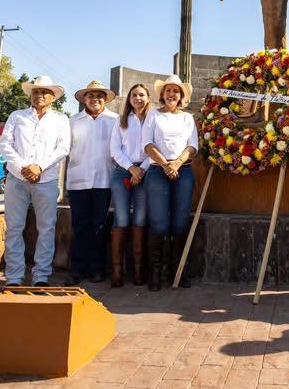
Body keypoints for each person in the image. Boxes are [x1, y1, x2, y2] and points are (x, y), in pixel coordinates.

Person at [0, 75, 70, 288]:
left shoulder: (60, 120)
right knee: (13, 228)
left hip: (46, 179)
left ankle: (41, 276)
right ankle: (14, 277)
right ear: (31, 94)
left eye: (44, 92)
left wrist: (39, 167)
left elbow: (63, 148)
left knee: (46, 228)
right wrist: (23, 167)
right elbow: (5, 145)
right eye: (36, 91)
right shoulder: (17, 116)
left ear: (53, 97)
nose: (39, 95)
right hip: (17, 179)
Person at [142, 75, 198, 291]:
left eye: (176, 91)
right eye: (168, 91)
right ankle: (155, 273)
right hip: (158, 171)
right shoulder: (153, 116)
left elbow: (193, 145)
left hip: (183, 171)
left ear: (181, 96)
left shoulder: (187, 118)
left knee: (180, 223)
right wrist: (166, 164)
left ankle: (178, 271)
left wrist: (177, 163)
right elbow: (147, 144)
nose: (172, 94)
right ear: (162, 95)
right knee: (159, 223)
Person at [65, 80, 117, 285]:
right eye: (91, 96)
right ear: (84, 99)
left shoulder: (115, 120)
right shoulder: (72, 121)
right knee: (80, 225)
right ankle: (77, 268)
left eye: (99, 96)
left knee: (99, 225)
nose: (95, 99)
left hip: (104, 179)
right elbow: (65, 152)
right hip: (78, 180)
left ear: (105, 99)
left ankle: (97, 268)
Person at [109, 83, 153, 287]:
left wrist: (141, 169)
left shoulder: (153, 120)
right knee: (122, 218)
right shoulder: (122, 121)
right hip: (122, 172)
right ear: (129, 99)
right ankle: (117, 270)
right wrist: (131, 169)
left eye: (142, 95)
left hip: (146, 172)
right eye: (134, 95)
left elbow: (156, 148)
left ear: (148, 98)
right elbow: (115, 150)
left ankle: (138, 270)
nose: (138, 98)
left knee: (141, 218)